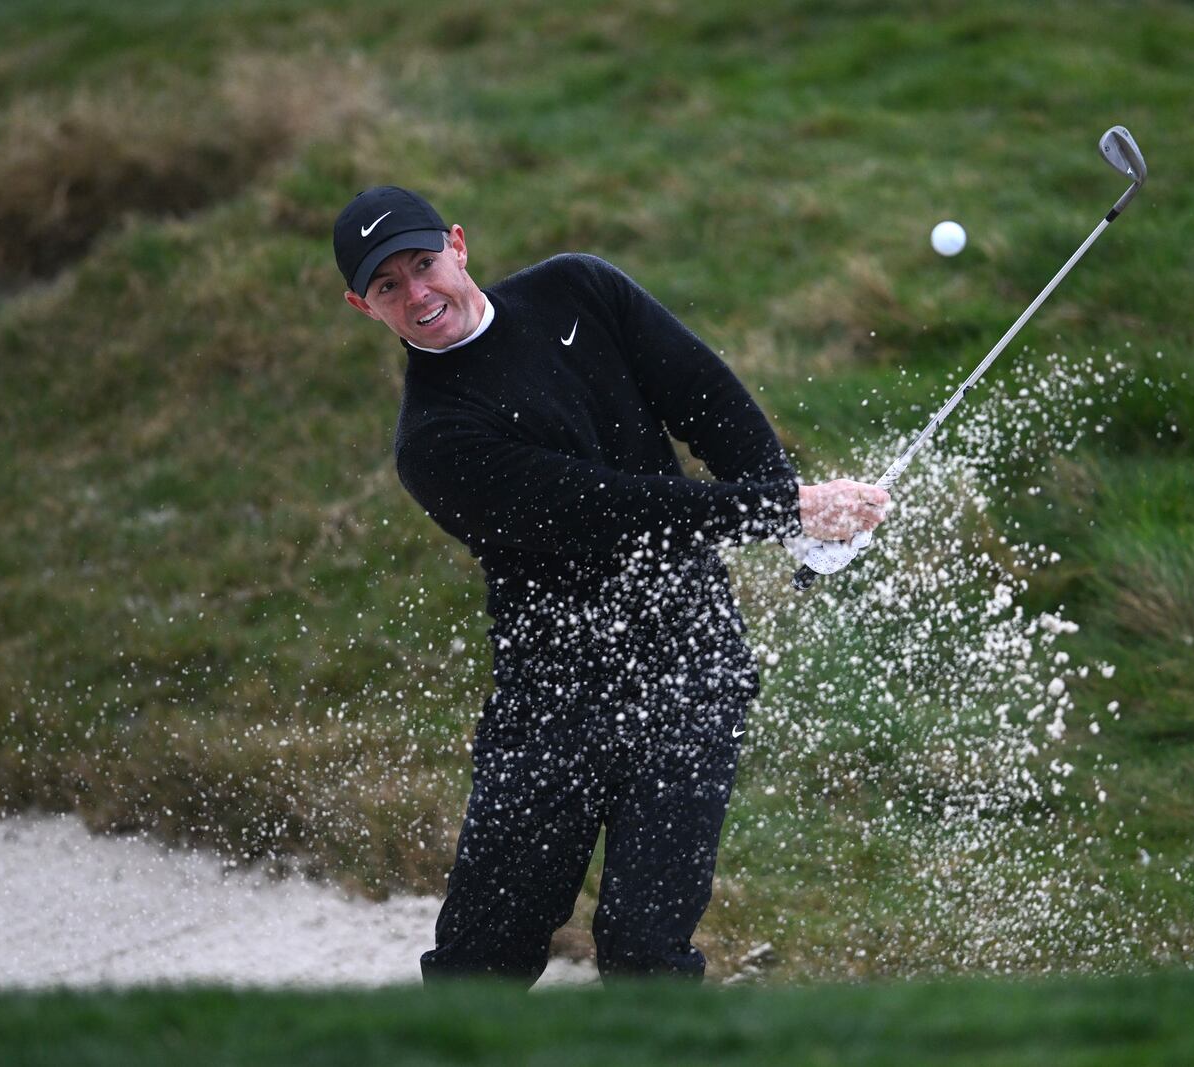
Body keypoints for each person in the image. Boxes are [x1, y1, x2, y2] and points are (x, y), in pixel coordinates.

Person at [333, 185, 888, 985]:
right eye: (389, 285)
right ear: (364, 305)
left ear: (458, 244)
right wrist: (780, 510)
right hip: (553, 698)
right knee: (481, 957)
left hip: (692, 666)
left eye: (424, 264)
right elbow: (606, 512)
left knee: (644, 949)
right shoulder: (434, 440)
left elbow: (706, 398)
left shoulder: (578, 289)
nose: (419, 293)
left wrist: (793, 512)